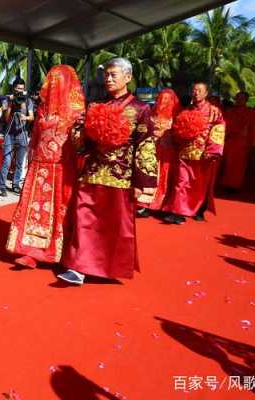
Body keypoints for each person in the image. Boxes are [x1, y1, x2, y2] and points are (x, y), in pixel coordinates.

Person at [57, 58, 157, 286]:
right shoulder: (95, 106)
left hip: (121, 177)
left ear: (128, 78)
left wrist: (146, 182)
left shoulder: (140, 110)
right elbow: (81, 145)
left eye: (114, 75)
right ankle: (78, 268)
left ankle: (108, 267)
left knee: (115, 226)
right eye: (107, 75)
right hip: (92, 172)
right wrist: (80, 129)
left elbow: (146, 146)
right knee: (84, 219)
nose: (109, 79)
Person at [6, 65, 85, 268]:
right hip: (40, 167)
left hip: (62, 167)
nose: (51, 85)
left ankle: (62, 251)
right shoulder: (41, 108)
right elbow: (36, 137)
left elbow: (81, 143)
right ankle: (31, 251)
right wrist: (31, 157)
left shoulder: (78, 111)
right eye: (50, 79)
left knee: (61, 210)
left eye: (57, 80)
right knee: (36, 211)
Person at [162, 82, 226, 224]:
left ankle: (198, 209)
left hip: (204, 154)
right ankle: (177, 213)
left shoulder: (213, 111)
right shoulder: (186, 110)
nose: (196, 93)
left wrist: (212, 150)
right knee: (181, 181)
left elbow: (219, 129)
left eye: (199, 90)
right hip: (185, 152)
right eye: (194, 90)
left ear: (206, 93)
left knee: (200, 185)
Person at [137, 88, 181, 215]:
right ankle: (145, 204)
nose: (164, 101)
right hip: (152, 152)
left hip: (168, 154)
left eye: (167, 99)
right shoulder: (151, 114)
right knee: (150, 175)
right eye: (162, 98)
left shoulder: (177, 117)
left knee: (166, 178)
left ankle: (163, 204)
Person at [0, 77, 34, 196]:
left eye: (22, 89)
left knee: (20, 162)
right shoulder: (7, 99)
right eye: (17, 89)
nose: (20, 92)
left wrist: (25, 117)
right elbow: (6, 119)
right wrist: (11, 104)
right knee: (7, 160)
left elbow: (31, 117)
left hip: (22, 133)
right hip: (10, 133)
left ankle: (16, 184)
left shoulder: (28, 101)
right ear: (13, 88)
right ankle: (1, 185)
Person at [220, 91, 255, 191]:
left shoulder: (251, 113)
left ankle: (235, 185)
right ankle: (227, 183)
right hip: (229, 141)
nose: (239, 100)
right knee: (228, 163)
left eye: (242, 98)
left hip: (243, 143)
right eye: (238, 98)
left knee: (240, 165)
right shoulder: (229, 112)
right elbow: (222, 126)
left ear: (246, 100)